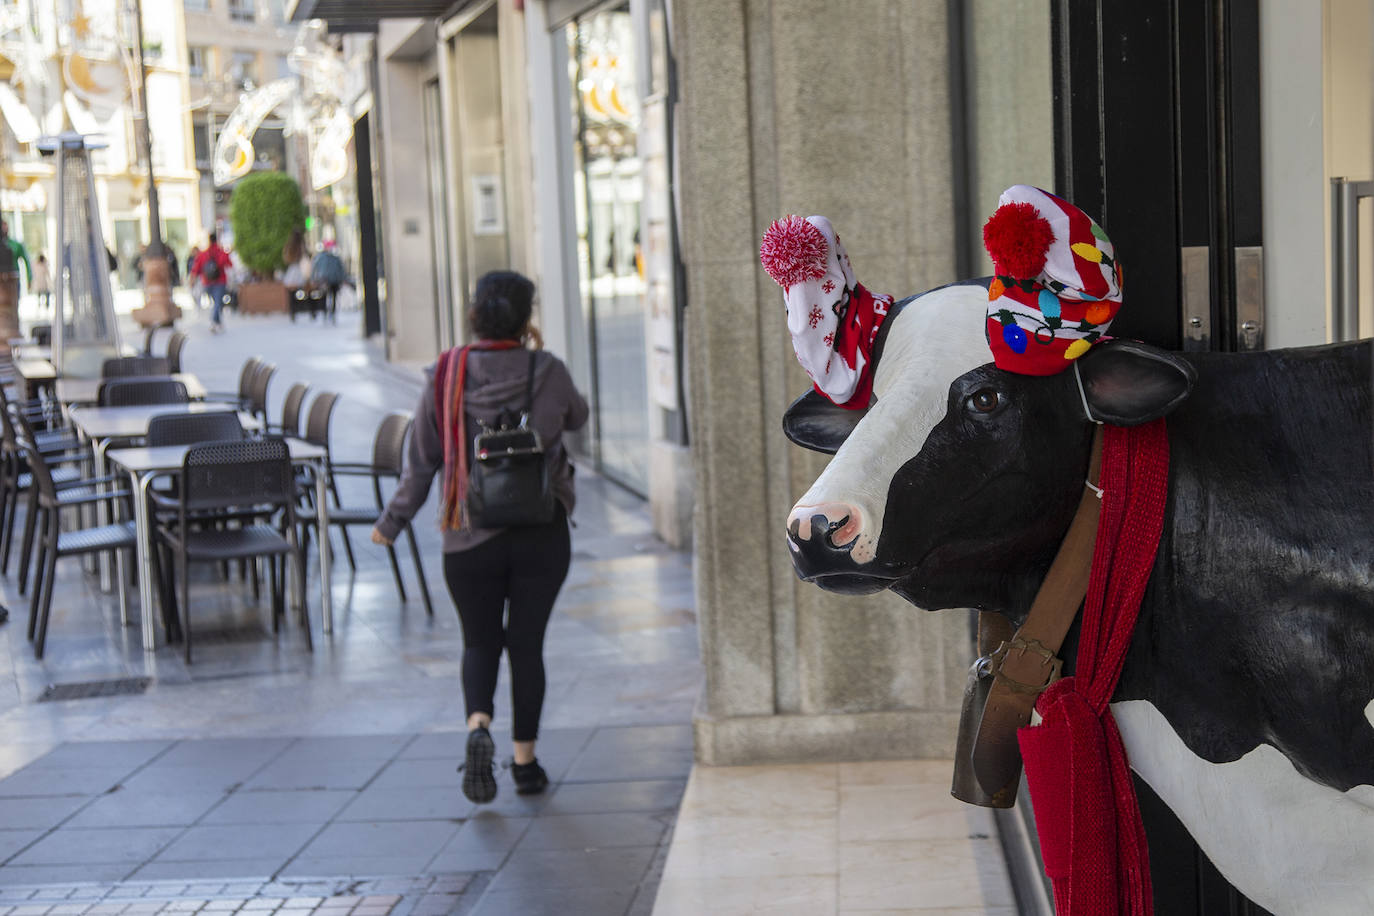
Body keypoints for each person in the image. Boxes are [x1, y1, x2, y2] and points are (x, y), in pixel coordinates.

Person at [372, 270, 589, 804]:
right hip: (542, 530)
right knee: (526, 644)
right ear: (526, 318)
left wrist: (393, 520)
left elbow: (422, 461)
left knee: (479, 640)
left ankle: (477, 725)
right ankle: (524, 763)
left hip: (469, 535)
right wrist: (538, 362)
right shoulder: (548, 370)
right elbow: (578, 416)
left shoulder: (446, 374)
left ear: (474, 313)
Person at [190, 233, 233, 333]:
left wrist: (192, 280)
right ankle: (214, 321)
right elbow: (229, 264)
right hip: (220, 281)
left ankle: (217, 322)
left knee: (216, 303)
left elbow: (196, 269)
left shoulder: (203, 254)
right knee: (218, 303)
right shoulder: (221, 252)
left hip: (207, 282)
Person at [310, 240, 346, 322]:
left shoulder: (323, 257)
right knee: (328, 297)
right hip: (327, 280)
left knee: (329, 297)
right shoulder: (323, 257)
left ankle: (329, 313)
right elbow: (315, 268)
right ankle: (328, 313)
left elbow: (341, 269)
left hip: (330, 280)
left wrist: (314, 279)